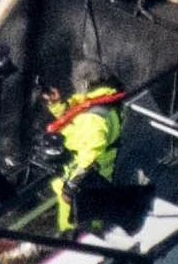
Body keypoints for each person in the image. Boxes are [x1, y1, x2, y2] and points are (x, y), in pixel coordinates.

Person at [45, 74, 127, 232]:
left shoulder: (95, 118)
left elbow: (89, 157)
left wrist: (71, 186)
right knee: (85, 216)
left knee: (79, 223)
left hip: (84, 180)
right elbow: (73, 121)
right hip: (87, 176)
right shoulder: (103, 105)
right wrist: (57, 105)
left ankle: (79, 239)